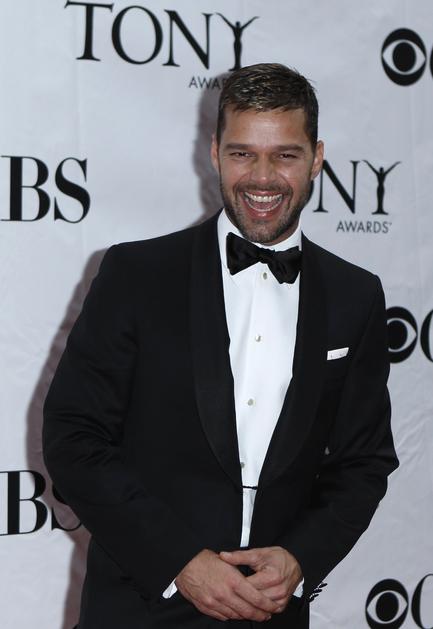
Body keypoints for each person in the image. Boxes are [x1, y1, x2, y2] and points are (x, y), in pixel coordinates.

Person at [43, 63, 398, 628]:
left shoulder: (355, 296)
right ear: (214, 153)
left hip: (273, 612)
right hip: (140, 607)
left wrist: (300, 559)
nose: (263, 178)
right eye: (242, 154)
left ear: (317, 157)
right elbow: (73, 439)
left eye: (285, 155)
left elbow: (364, 462)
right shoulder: (136, 275)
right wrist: (179, 562)